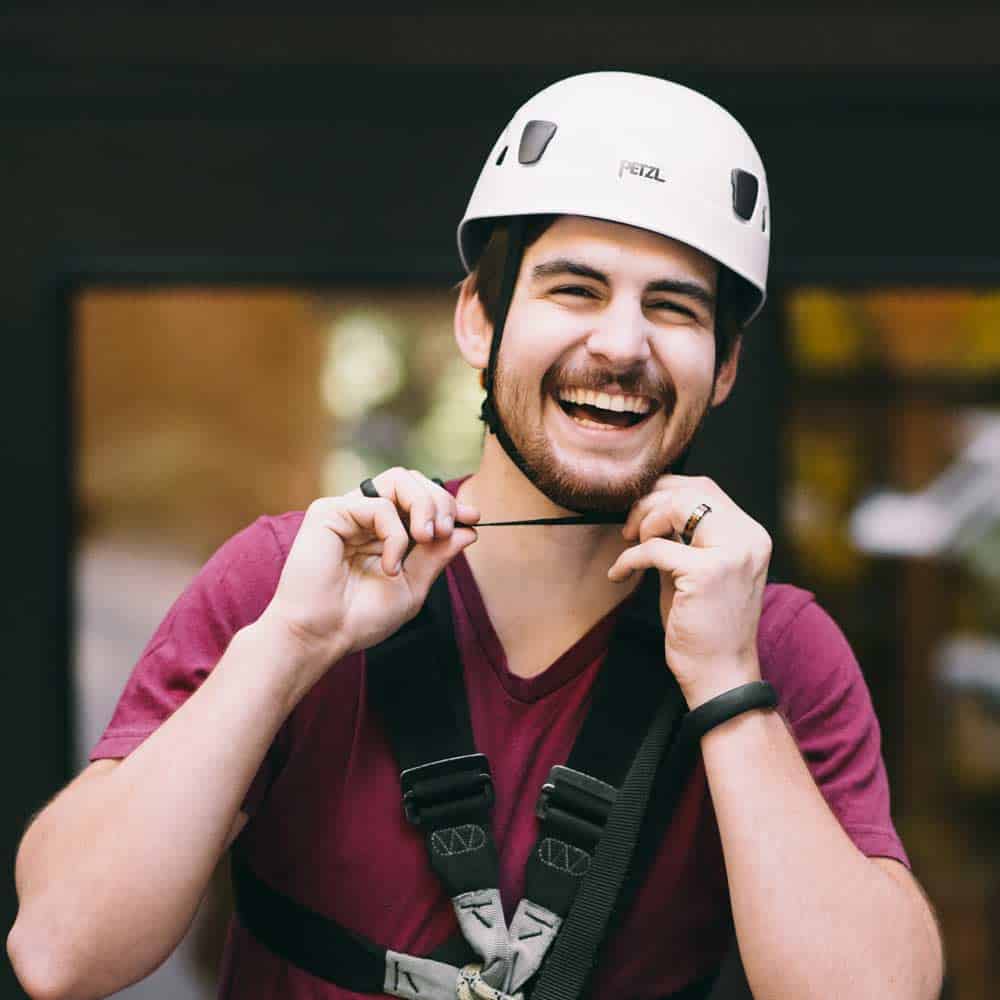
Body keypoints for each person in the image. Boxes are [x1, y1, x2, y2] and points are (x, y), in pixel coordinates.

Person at [8, 72, 943, 1000]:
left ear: (727, 366)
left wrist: (728, 682)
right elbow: (60, 954)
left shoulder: (773, 646)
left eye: (673, 307)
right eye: (574, 289)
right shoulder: (292, 583)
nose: (622, 345)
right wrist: (290, 648)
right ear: (478, 321)